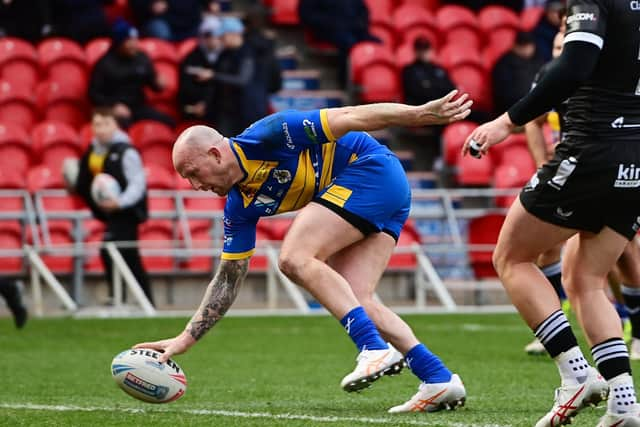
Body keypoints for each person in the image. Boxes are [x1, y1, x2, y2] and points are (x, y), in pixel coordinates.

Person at [134, 90, 473, 413]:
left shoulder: (269, 134)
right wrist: (185, 339)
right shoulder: (238, 207)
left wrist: (418, 114)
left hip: (372, 170)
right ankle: (438, 379)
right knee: (356, 298)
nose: (195, 186)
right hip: (376, 194)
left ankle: (372, 348)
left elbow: (351, 115)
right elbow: (227, 280)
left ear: (215, 154)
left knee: (294, 257)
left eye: (193, 174)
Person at [464, 0, 640, 424]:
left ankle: (576, 374)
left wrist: (506, 121)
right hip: (634, 158)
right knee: (586, 280)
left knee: (511, 257)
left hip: (593, 148)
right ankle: (624, 401)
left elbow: (575, 64)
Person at [73, 108, 154, 306]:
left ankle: (136, 299)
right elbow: (84, 183)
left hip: (127, 213)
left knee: (119, 252)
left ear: (115, 126)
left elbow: (137, 183)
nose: (101, 130)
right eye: (97, 124)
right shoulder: (92, 152)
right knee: (119, 253)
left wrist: (120, 202)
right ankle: (127, 298)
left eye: (106, 124)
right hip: (109, 213)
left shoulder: (126, 151)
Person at [88, 19, 175, 129]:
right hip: (116, 111)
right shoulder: (104, 64)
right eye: (129, 40)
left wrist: (159, 84)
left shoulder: (142, 58)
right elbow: (94, 94)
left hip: (138, 107)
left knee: (168, 123)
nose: (134, 44)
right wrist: (113, 106)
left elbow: (153, 85)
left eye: (135, 40)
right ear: (119, 43)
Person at [178, 16, 223, 123]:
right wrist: (200, 103)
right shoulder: (192, 58)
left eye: (216, 34)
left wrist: (208, 103)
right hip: (196, 105)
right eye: (208, 35)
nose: (212, 38)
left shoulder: (227, 56)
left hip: (221, 107)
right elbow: (186, 86)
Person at [491, 31, 545, 115]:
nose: (527, 50)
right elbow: (503, 96)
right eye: (523, 46)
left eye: (529, 46)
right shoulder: (504, 64)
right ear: (515, 46)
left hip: (539, 108)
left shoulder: (538, 60)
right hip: (513, 111)